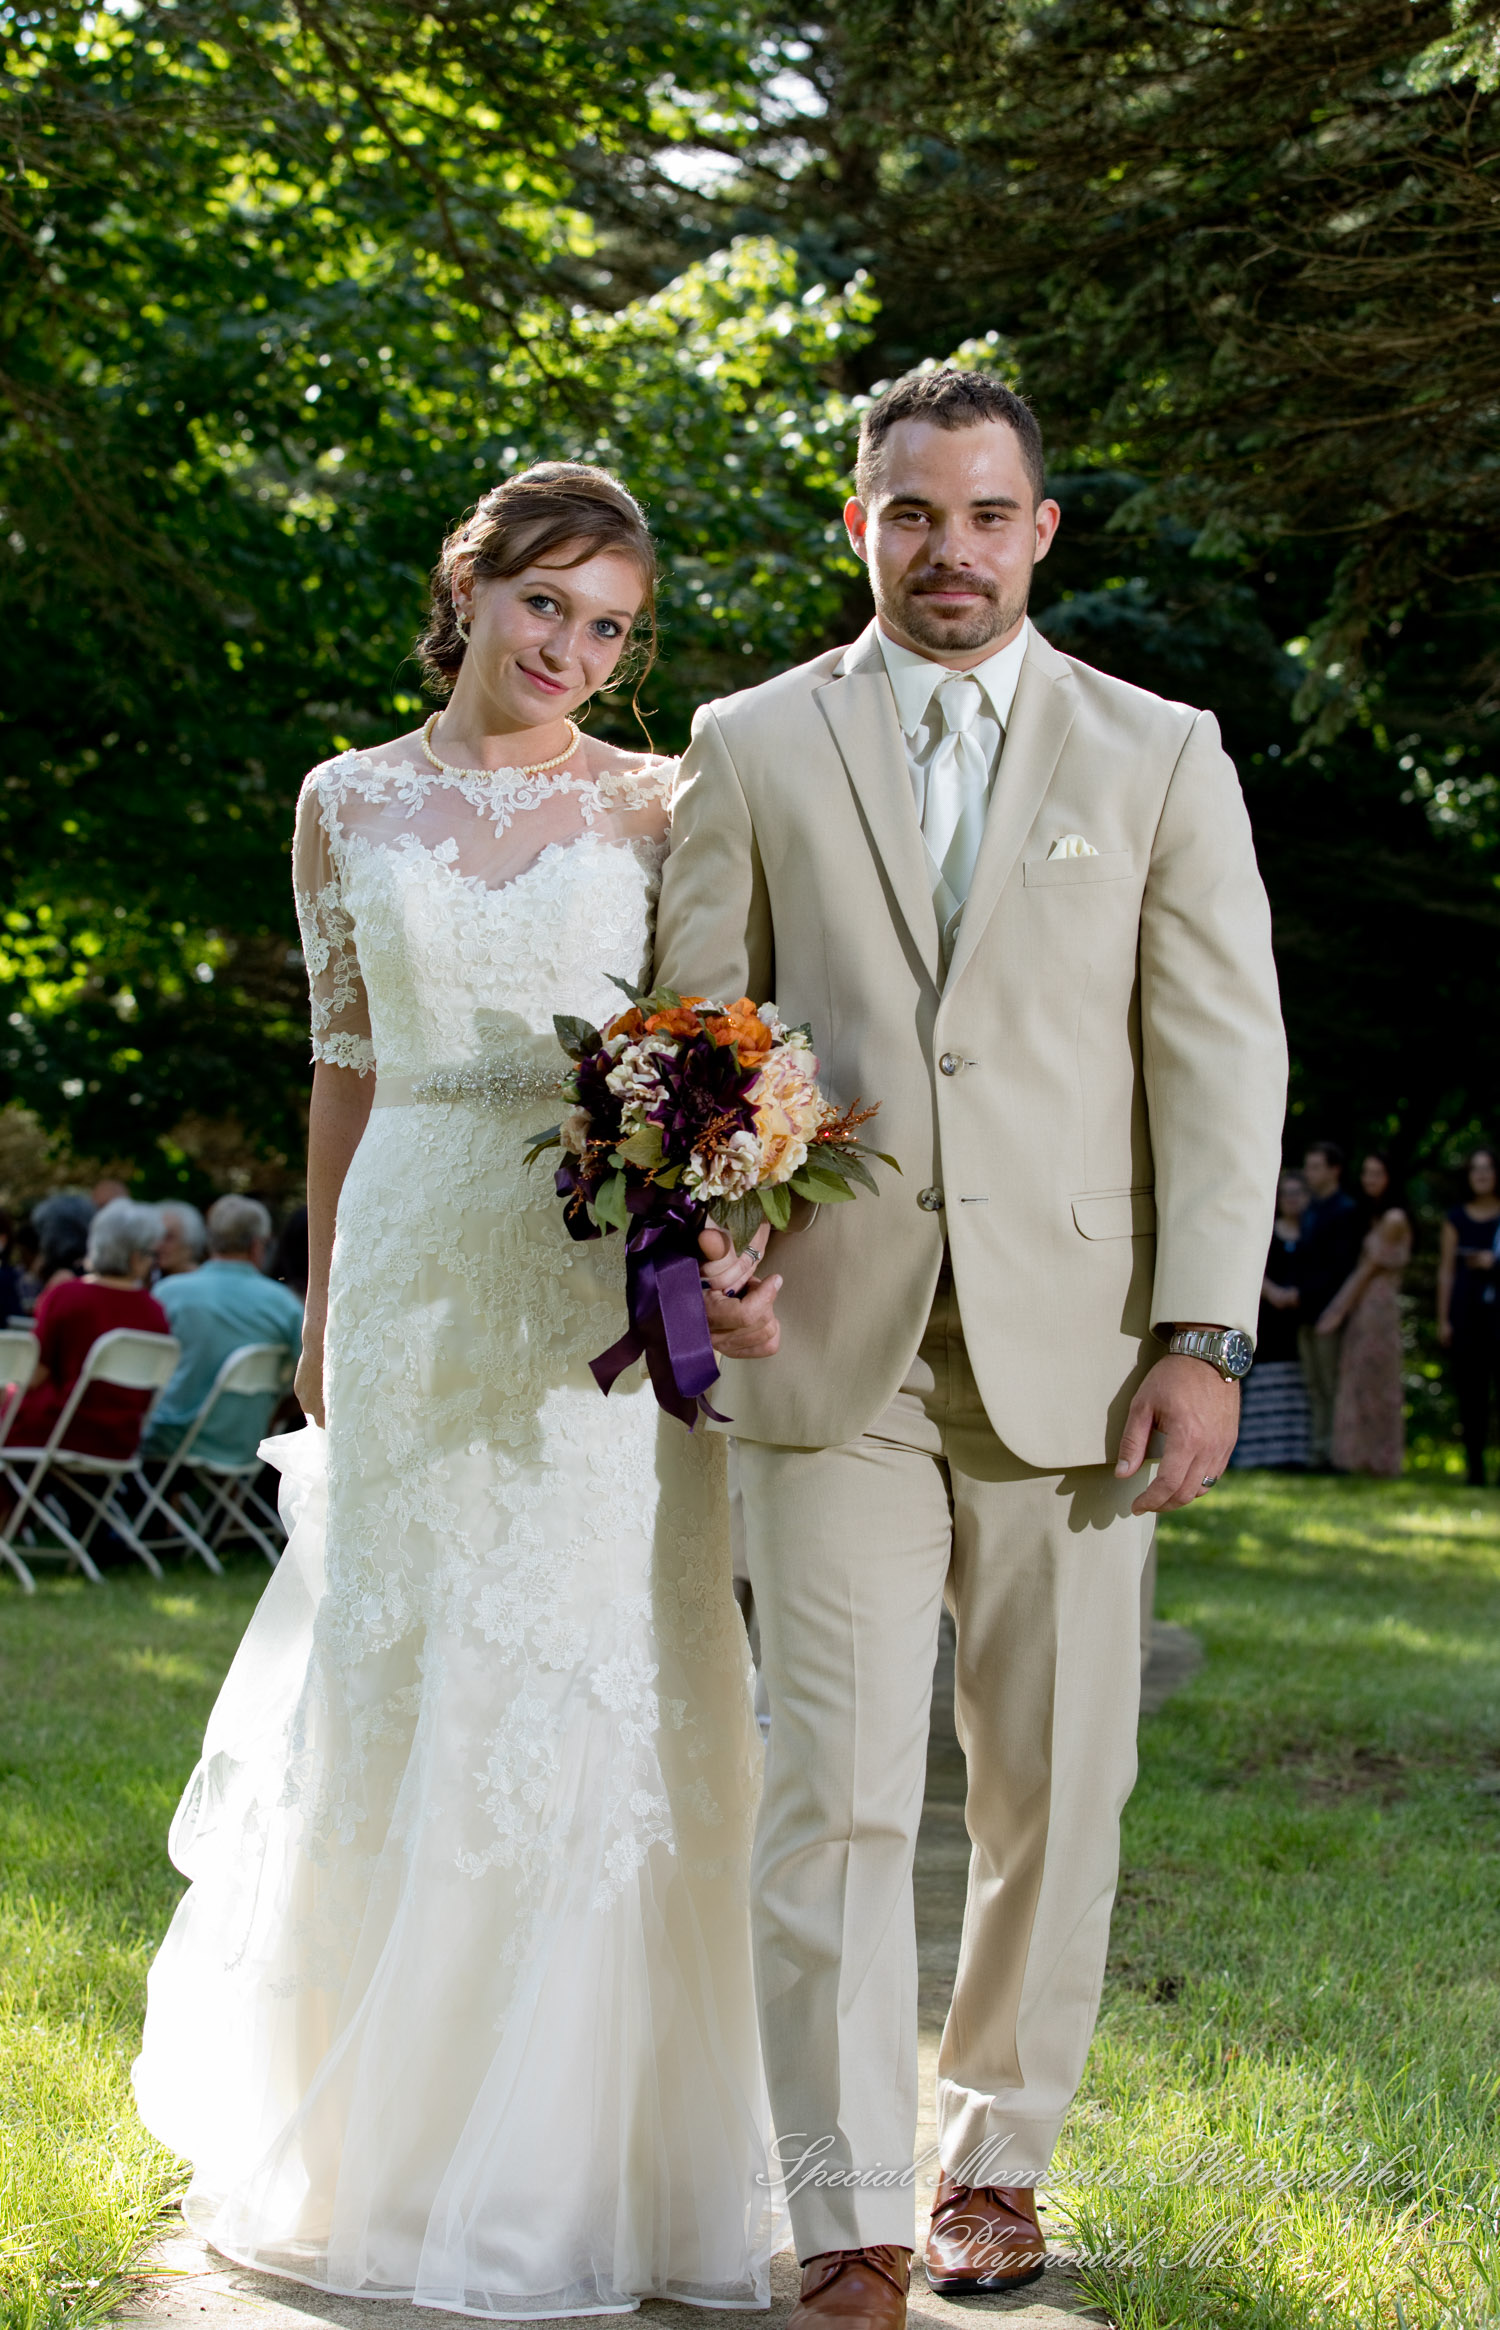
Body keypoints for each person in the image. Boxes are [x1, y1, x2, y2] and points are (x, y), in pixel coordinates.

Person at [655, 367, 1286, 2317]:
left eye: (988, 514)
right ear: (862, 524)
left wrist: (1201, 1332)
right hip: (824, 1346)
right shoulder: (750, 742)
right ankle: (844, 2205)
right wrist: (708, 1245)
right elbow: (697, 1029)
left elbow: (1220, 1057)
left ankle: (994, 2163)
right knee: (832, 1792)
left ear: (1040, 530)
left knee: (1053, 1788)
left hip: (1083, 1359)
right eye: (914, 513)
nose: (952, 550)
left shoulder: (1160, 752)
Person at [133, 463, 780, 2315]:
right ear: (472, 587)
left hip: (591, 1271)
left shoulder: (662, 803)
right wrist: (326, 1311)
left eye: (609, 626)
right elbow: (343, 1067)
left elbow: (711, 1045)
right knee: (408, 1656)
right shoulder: (345, 799)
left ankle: (593, 2166)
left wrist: (723, 1223)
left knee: (593, 1655)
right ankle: (388, 2152)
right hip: (415, 1254)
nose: (571, 649)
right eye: (545, 604)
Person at [141, 1197, 305, 1466]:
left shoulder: (168, 1293)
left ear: (210, 1241)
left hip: (169, 1439)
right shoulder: (285, 1305)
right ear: (257, 1245)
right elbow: (309, 1380)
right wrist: (274, 1416)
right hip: (246, 1444)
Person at [8, 1200, 169, 1458]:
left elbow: (31, 1374)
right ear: (136, 1258)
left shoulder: (67, 1295)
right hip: (120, 1441)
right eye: (152, 1255)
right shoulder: (155, 1311)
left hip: (57, 1433)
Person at [1319, 1155, 1411, 1477]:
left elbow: (1365, 1272)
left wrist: (1336, 1311)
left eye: (1377, 1173)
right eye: (1366, 1173)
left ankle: (1379, 1459)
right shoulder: (1374, 1216)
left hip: (1376, 1307)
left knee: (1375, 1380)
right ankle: (1359, 1456)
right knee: (1359, 1378)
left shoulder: (1394, 1218)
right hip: (1365, 1305)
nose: (1369, 1179)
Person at [1230, 1168, 1312, 1470]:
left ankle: (1296, 1453)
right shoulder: (1265, 1230)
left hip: (1301, 1319)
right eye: (1286, 1194)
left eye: (1297, 1193)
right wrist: (1273, 1292)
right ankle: (1260, 1454)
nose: (1292, 1200)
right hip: (1267, 1318)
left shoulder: (1313, 1232)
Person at [1295, 1140, 1362, 1469]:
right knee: (1314, 1385)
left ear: (1334, 1170)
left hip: (1329, 1313)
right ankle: (1318, 1451)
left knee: (1332, 1385)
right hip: (1305, 1312)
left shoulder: (1346, 1211)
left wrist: (1330, 1310)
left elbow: (1341, 1269)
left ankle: (1336, 1453)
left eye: (1316, 1167)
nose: (1308, 1173)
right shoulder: (1311, 1210)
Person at [1438, 1145, 1500, 1487]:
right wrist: (1443, 1318)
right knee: (1471, 1395)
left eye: (1487, 1168)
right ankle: (1475, 1470)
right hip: (1466, 1315)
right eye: (1475, 1168)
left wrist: (1494, 1263)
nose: (1481, 1175)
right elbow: (1446, 1271)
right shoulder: (1456, 1218)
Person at [154, 1200, 208, 1278]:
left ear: (190, 1243)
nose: (158, 1244)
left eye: (169, 1237)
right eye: (156, 1236)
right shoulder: (151, 1280)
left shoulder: (201, 1281)